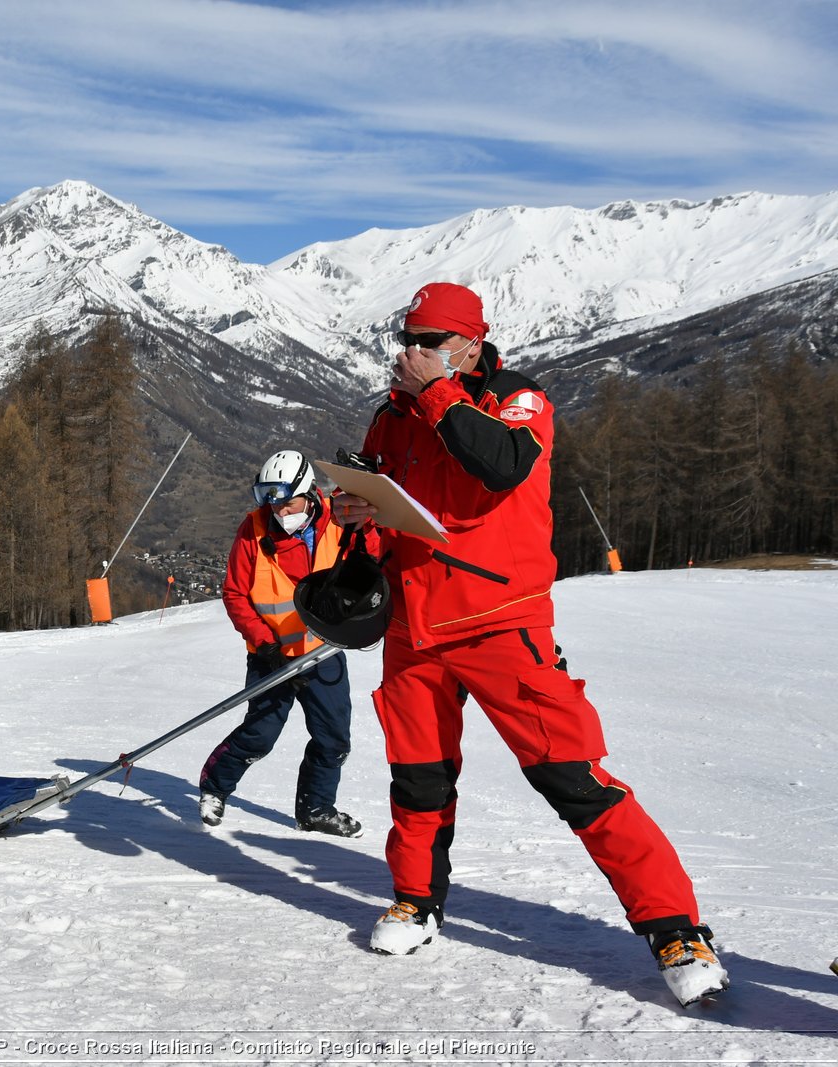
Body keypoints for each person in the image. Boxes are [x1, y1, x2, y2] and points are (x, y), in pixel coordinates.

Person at [332, 282, 727, 1006]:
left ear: (470, 345)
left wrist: (438, 394)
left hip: (500, 624)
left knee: (573, 778)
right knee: (417, 778)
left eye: (429, 341)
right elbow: (396, 510)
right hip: (413, 632)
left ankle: (676, 927)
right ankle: (417, 901)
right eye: (407, 339)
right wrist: (358, 513)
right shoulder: (390, 418)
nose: (411, 352)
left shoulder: (516, 399)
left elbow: (502, 466)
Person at [197, 450, 363, 838]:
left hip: (321, 653)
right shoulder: (253, 531)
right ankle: (214, 787)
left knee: (333, 738)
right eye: (271, 500)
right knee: (260, 734)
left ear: (308, 494)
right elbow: (235, 594)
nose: (279, 509)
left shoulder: (338, 520)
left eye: (287, 501)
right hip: (272, 656)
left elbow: (365, 563)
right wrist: (262, 641)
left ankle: (316, 809)